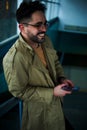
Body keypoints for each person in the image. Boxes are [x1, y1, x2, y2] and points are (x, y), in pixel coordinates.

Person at [3, 1, 74, 130]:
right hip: (39, 116)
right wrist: (53, 92)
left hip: (57, 108)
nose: (45, 29)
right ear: (22, 28)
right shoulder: (15, 58)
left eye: (45, 23)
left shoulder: (45, 40)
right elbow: (19, 92)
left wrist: (61, 78)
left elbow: (55, 62)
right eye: (38, 25)